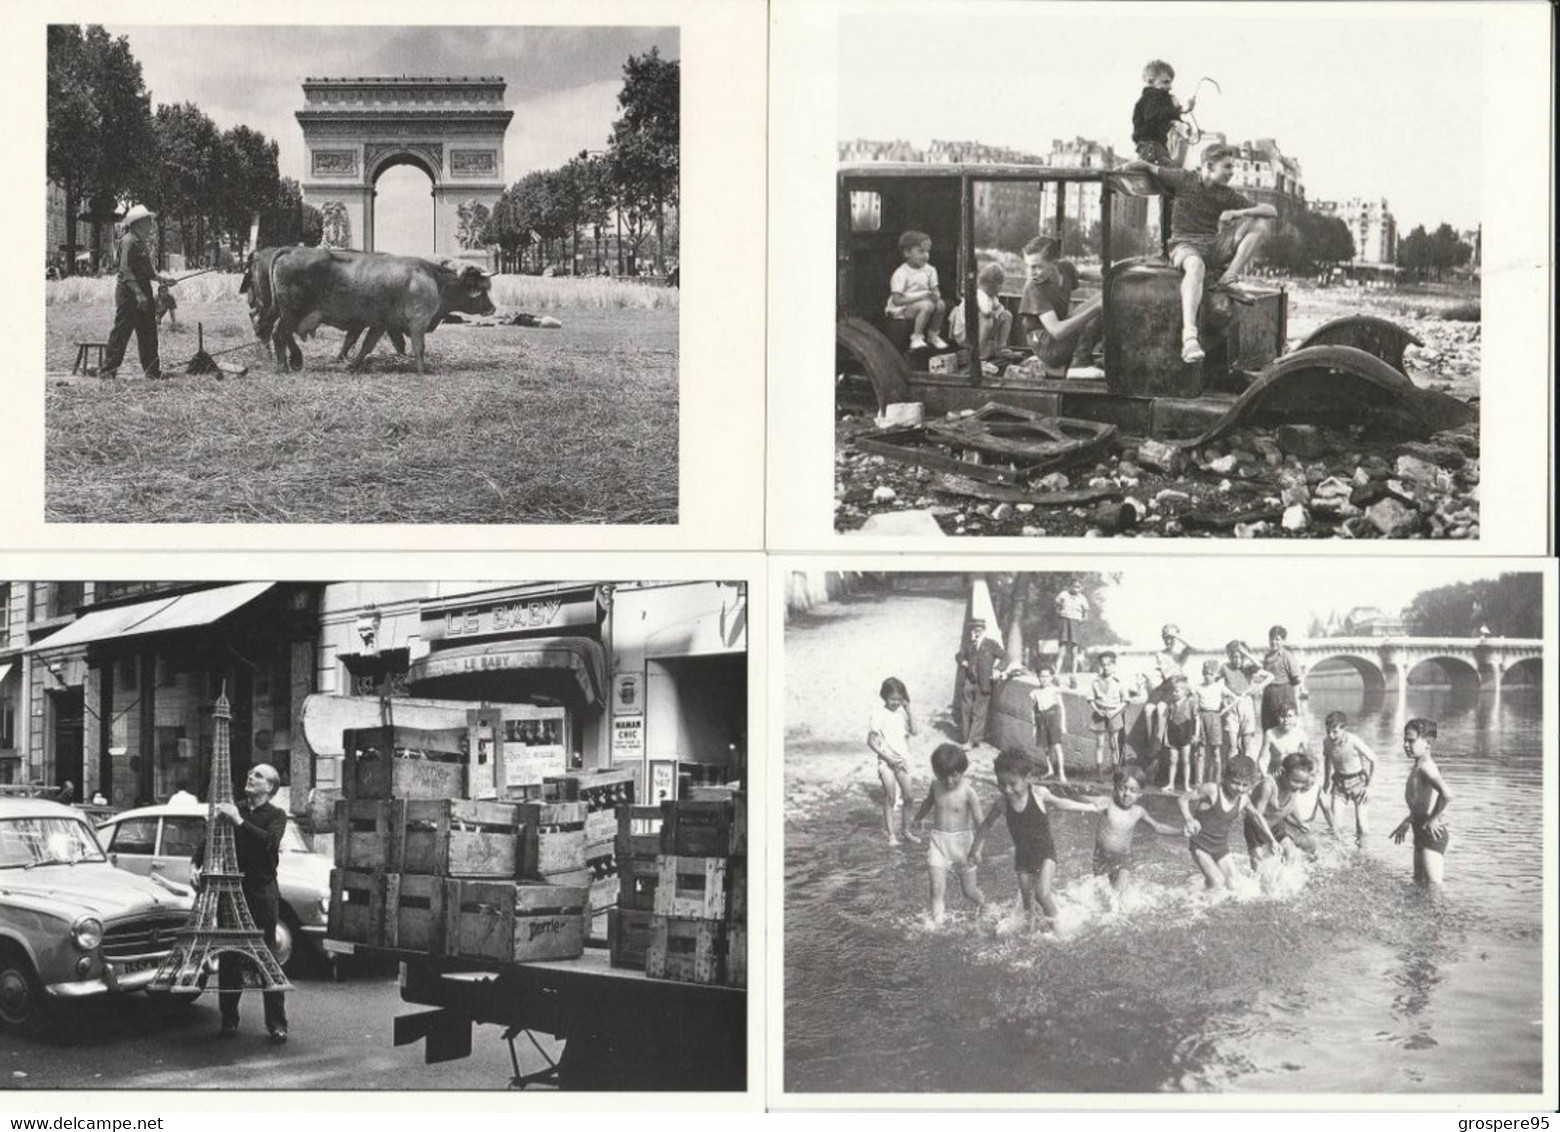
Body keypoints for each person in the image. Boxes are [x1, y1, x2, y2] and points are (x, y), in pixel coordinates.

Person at [1124, 144, 1276, 364]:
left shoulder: (1226, 194)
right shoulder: (1184, 179)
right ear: (1209, 166)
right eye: (1227, 167)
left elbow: (1272, 211)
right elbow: (1147, 166)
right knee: (1195, 266)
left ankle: (1228, 278)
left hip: (1213, 244)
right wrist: (1123, 168)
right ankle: (1190, 338)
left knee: (1260, 224)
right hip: (1184, 244)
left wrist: (1239, 212)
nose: (1231, 172)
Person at [192, 763, 290, 1044]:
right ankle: (229, 1019)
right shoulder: (235, 808)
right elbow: (211, 837)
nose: (250, 776)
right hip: (233, 889)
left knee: (267, 958)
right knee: (229, 959)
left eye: (258, 775)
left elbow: (269, 843)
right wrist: (194, 863)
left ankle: (277, 1023)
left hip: (261, 892)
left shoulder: (276, 815)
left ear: (269, 787)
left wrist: (238, 821)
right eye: (250, 772)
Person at [969, 748, 1097, 928]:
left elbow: (1060, 803)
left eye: (1012, 784)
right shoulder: (1002, 803)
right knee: (1028, 906)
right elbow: (986, 825)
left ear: (1026, 778)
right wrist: (975, 849)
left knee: (1042, 893)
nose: (1007, 789)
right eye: (1001, 784)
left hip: (1045, 853)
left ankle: (1060, 928)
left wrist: (1090, 807)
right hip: (1023, 858)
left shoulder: (1038, 793)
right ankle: (1033, 934)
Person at [99, 203, 176, 380]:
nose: (151, 225)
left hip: (143, 292)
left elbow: (148, 273)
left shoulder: (140, 243)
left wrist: (163, 280)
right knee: (121, 332)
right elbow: (125, 271)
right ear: (139, 223)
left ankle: (152, 371)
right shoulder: (128, 241)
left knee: (148, 332)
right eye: (148, 222)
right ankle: (108, 372)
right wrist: (139, 294)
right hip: (129, 295)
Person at [1179, 754, 1275, 890]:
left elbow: (1257, 817)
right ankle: (1197, 904)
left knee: (1234, 885)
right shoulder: (1212, 790)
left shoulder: (1244, 799)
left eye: (1245, 785)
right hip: (1200, 845)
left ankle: (1200, 892)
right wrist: (1189, 819)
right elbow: (1183, 799)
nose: (1240, 789)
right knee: (1217, 882)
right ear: (1225, 777)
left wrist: (1272, 840)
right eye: (1235, 783)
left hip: (1220, 847)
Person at [913, 743, 986, 921]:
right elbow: (928, 802)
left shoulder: (969, 793)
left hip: (963, 846)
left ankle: (985, 907)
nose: (949, 781)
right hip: (938, 842)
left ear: (962, 771)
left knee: (969, 891)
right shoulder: (935, 786)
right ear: (937, 774)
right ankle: (937, 924)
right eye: (943, 776)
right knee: (936, 888)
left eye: (954, 776)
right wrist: (918, 818)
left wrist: (978, 849)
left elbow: (981, 824)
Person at [1018, 238, 1104, 379]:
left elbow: (1082, 273)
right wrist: (1097, 309)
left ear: (1055, 263)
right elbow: (1057, 331)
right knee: (1100, 304)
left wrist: (1114, 275)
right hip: (1047, 345)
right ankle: (1078, 365)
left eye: (1037, 267)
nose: (1030, 273)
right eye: (1028, 266)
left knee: (1108, 295)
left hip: (1060, 338)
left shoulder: (1065, 268)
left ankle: (1087, 358)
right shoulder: (1033, 287)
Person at [1089, 763, 1181, 894]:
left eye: (1133, 790)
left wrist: (1181, 832)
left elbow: (1158, 827)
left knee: (1120, 897)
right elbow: (1083, 800)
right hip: (1101, 859)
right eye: (1123, 788)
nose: (1127, 794)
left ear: (1140, 794)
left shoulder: (1138, 812)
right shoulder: (1107, 803)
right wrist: (1072, 792)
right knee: (1102, 895)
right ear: (1115, 788)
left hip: (1123, 860)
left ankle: (1121, 910)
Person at [1390, 718, 1451, 893]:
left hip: (1432, 834)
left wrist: (1433, 820)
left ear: (1428, 742)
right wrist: (1407, 821)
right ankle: (1422, 919)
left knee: (1434, 887)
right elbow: (1421, 804)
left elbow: (1447, 794)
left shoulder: (1427, 768)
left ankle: (1441, 919)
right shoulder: (1418, 766)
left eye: (1411, 740)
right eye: (1404, 740)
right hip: (1420, 830)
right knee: (1418, 882)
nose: (1405, 745)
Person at [868, 677, 922, 845]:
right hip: (886, 760)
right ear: (885, 697)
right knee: (890, 796)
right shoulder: (878, 714)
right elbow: (871, 741)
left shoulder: (902, 713)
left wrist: (909, 709)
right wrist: (888, 758)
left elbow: (915, 731)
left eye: (899, 699)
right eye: (892, 699)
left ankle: (905, 831)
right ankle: (892, 835)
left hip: (902, 760)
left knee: (910, 797)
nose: (895, 702)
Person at [1243, 752, 1320, 866]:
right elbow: (1256, 817)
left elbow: (1290, 805)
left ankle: (1286, 882)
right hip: (1255, 828)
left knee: (1290, 854)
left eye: (1302, 782)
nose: (1298, 786)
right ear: (1283, 772)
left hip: (1276, 826)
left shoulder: (1293, 787)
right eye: (1295, 781)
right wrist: (1271, 841)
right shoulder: (1268, 787)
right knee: (1257, 865)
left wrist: (1300, 823)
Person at [1316, 710, 1377, 847]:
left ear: (1344, 729)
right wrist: (1326, 783)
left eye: (1335, 731)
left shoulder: (1353, 740)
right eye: (1328, 731)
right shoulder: (1327, 742)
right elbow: (1328, 760)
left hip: (1358, 782)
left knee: (1362, 823)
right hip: (1339, 784)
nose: (1331, 735)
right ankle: (1339, 855)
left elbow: (1374, 759)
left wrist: (1370, 786)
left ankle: (1363, 852)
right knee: (1335, 824)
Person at [885, 230, 948, 351]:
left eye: (928, 251)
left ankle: (933, 334)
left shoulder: (930, 270)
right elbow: (897, 300)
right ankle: (916, 338)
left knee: (940, 305)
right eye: (921, 251)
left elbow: (935, 289)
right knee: (927, 306)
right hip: (903, 308)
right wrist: (921, 298)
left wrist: (936, 295)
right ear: (907, 253)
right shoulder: (901, 273)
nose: (926, 255)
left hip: (923, 301)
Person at [954, 617, 1007, 748]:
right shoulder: (970, 644)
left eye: (979, 629)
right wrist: (963, 662)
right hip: (969, 681)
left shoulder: (991, 644)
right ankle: (966, 738)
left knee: (979, 713)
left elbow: (1005, 657)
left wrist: (997, 670)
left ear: (984, 629)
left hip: (984, 683)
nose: (977, 631)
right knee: (965, 710)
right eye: (974, 629)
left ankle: (971, 741)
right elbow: (959, 655)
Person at [1130, 59, 1196, 166]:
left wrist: (1182, 112)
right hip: (1150, 146)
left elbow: (1163, 116)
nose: (1170, 87)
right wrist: (1179, 109)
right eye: (1165, 82)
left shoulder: (1157, 99)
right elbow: (1154, 115)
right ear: (1151, 81)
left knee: (1167, 170)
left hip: (1155, 146)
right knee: (1168, 170)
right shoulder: (1152, 97)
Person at [950, 260, 1014, 364]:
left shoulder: (991, 296)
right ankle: (977, 353)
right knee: (987, 321)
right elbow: (986, 312)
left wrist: (998, 313)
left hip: (976, 331)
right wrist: (994, 314)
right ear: (998, 286)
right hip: (965, 334)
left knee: (1007, 315)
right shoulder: (979, 294)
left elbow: (1000, 308)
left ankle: (1001, 346)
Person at [1143, 623, 1195, 753]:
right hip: (1167, 684)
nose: (1169, 641)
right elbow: (1166, 674)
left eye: (1171, 638)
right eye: (1166, 638)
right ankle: (1151, 742)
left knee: (1161, 707)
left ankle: (1158, 742)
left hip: (1178, 684)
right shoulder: (1160, 654)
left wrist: (1176, 636)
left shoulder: (1180, 653)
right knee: (1148, 709)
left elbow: (1191, 647)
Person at [1220, 640, 1271, 762]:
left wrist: (1259, 687)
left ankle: (1246, 773)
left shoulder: (1248, 668)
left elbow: (1260, 666)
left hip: (1246, 704)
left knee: (1246, 744)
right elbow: (1217, 684)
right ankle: (1232, 774)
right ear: (1230, 656)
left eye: (1240, 657)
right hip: (1231, 706)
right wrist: (1225, 695)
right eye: (1234, 657)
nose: (1237, 660)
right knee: (1232, 746)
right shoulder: (1225, 667)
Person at [1193, 659, 1238, 786]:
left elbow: (1235, 698)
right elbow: (1192, 699)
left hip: (1215, 718)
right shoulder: (1198, 687)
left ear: (1216, 675)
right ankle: (1198, 782)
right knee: (1200, 752)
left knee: (1215, 751)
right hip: (1201, 718)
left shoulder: (1219, 687)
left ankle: (1216, 781)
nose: (1208, 676)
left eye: (1211, 674)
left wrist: (1224, 710)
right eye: (1206, 673)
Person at [1088, 651, 1129, 773]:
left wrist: (1115, 711)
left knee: (1114, 743)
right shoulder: (1096, 681)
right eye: (1103, 665)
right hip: (1100, 714)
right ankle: (1099, 771)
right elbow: (1090, 699)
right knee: (1100, 743)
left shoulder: (1119, 682)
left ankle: (1115, 768)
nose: (1105, 667)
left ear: (1114, 666)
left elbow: (1125, 700)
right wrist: (1097, 710)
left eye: (1108, 665)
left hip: (1114, 713)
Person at [1258, 625, 1304, 732]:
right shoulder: (1267, 657)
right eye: (1271, 639)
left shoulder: (1287, 656)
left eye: (1277, 639)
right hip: (1269, 696)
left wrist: (1296, 704)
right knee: (1268, 728)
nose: (1274, 642)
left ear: (1283, 641)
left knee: (1286, 727)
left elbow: (1297, 680)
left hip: (1284, 695)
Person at [1028, 665, 1067, 782]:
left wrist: (1063, 724)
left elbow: (1062, 708)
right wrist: (1034, 726)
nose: (1043, 679)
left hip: (1053, 719)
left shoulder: (1055, 690)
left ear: (1051, 677)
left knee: (1056, 746)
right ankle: (1050, 770)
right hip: (1041, 720)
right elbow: (1033, 710)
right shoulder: (1035, 692)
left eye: (1046, 676)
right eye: (1041, 676)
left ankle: (1061, 773)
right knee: (1046, 748)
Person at [1162, 675, 1197, 792]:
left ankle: (1186, 785)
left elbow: (1197, 720)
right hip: (1173, 735)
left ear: (1185, 692)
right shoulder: (1170, 705)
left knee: (1186, 760)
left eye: (1177, 690)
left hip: (1186, 734)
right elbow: (1166, 722)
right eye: (1173, 690)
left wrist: (1195, 735)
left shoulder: (1190, 704)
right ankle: (1170, 783)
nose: (1174, 693)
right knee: (1173, 760)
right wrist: (1165, 737)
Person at [1257, 703, 1309, 778]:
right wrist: (1265, 775)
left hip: (1293, 775)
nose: (1286, 720)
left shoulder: (1301, 734)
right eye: (1282, 716)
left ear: (1296, 718)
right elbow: (1262, 759)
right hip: (1275, 773)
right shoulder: (1270, 734)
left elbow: (1309, 759)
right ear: (1277, 717)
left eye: (1290, 716)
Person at [1053, 580, 1090, 679]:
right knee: (1062, 649)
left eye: (1078, 587)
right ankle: (1056, 674)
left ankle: (1074, 674)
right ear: (1070, 586)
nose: (1075, 588)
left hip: (1075, 623)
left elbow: (1086, 614)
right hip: (1064, 621)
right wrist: (1060, 614)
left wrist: (1080, 620)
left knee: (1074, 650)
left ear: (1081, 588)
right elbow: (1056, 606)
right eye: (1073, 586)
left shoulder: (1082, 598)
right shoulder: (1063, 594)